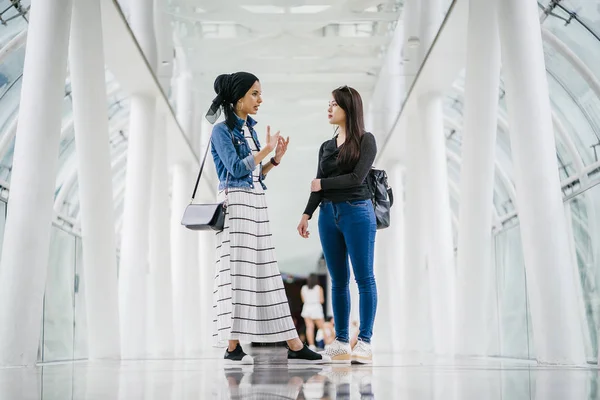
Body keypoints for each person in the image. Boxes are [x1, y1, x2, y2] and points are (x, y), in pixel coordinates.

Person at [207, 71, 330, 366]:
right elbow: (236, 170)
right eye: (254, 93)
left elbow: (254, 175)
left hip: (255, 206)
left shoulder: (249, 130)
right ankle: (274, 343)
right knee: (242, 275)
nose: (260, 99)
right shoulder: (221, 131)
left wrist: (274, 160)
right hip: (236, 207)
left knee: (263, 275)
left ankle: (253, 345)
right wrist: (265, 150)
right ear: (238, 98)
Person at [297, 85, 377, 365]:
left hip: (357, 211)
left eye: (334, 104)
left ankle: (364, 341)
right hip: (327, 215)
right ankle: (341, 341)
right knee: (338, 281)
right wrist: (307, 214)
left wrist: (323, 184)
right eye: (328, 104)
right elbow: (317, 186)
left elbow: (356, 178)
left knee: (364, 278)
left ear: (349, 108)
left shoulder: (366, 141)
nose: (328, 108)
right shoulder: (326, 147)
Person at [300, 274, 325, 351]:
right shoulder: (319, 288)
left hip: (307, 307)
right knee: (322, 327)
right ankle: (326, 344)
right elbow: (321, 300)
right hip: (316, 307)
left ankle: (311, 345)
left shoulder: (303, 288)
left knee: (309, 327)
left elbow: (303, 300)